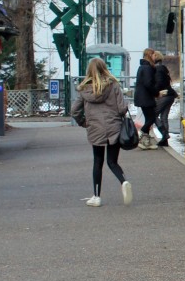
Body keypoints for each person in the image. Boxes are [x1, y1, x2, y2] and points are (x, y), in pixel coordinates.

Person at [70, 57, 133, 207]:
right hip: (114, 128)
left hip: (95, 128)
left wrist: (83, 122)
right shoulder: (114, 85)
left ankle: (96, 197)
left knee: (98, 162)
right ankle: (124, 181)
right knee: (112, 162)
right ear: (104, 68)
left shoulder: (84, 89)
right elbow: (122, 108)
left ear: (89, 71)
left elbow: (74, 110)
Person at [133, 47, 164, 149]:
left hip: (141, 97)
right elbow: (148, 83)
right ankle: (141, 135)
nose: (155, 57)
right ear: (150, 55)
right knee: (151, 118)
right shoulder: (148, 68)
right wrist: (156, 92)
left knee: (148, 118)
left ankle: (145, 142)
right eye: (154, 55)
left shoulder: (142, 67)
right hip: (146, 97)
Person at [152, 50, 177, 148]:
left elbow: (159, 83)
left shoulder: (157, 69)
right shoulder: (163, 68)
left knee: (152, 114)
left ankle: (164, 133)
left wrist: (155, 91)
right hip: (170, 95)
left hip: (164, 95)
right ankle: (165, 140)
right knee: (164, 117)